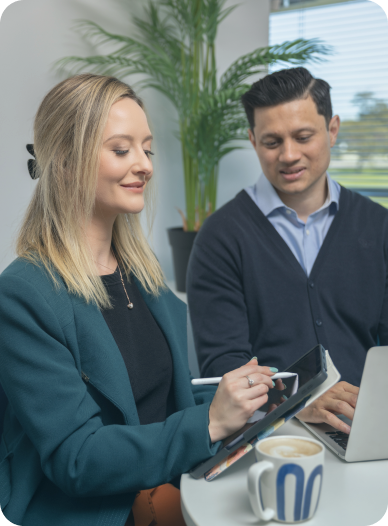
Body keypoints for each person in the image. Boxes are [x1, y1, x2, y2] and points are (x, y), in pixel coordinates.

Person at [0, 74, 283, 526]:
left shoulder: (140, 271)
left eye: (147, 149)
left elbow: (160, 397)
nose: (145, 165)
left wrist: (255, 401)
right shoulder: (24, 294)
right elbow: (77, 456)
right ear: (67, 161)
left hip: (168, 493)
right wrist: (209, 422)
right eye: (121, 149)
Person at [187, 67, 388, 436]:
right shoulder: (220, 237)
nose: (289, 154)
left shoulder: (380, 227)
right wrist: (299, 399)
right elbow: (224, 366)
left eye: (303, 136)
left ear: (333, 130)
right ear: (252, 141)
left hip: (366, 426)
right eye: (272, 141)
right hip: (273, 431)